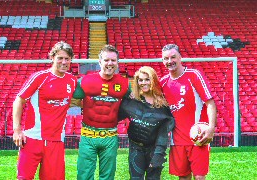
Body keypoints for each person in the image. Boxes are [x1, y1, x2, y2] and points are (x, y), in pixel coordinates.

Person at [12, 41, 77, 180]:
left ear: (71, 60)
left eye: (67, 58)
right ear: (52, 58)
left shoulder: (72, 81)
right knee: (24, 178)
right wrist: (17, 130)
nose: (64, 62)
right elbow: (19, 100)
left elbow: (76, 101)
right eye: (60, 58)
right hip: (32, 139)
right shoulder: (40, 77)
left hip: (56, 142)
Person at [160, 44, 217, 180]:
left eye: (173, 57)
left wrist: (211, 129)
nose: (170, 61)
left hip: (198, 136)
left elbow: (210, 104)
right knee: (183, 177)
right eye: (166, 58)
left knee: (199, 177)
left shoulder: (193, 75)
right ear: (163, 61)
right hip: (177, 140)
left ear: (180, 57)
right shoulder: (162, 82)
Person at [73, 44, 130, 180]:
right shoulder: (85, 81)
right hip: (88, 136)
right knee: (84, 176)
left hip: (110, 136)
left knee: (107, 176)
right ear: (100, 62)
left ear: (117, 63)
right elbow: (70, 101)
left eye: (113, 60)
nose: (110, 63)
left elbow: (132, 106)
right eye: (106, 60)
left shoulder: (125, 84)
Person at [118, 66, 175, 180]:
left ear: (153, 80)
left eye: (147, 79)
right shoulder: (131, 101)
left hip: (154, 149)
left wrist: (158, 154)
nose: (143, 83)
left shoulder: (163, 105)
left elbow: (163, 134)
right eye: (140, 80)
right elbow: (115, 115)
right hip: (136, 148)